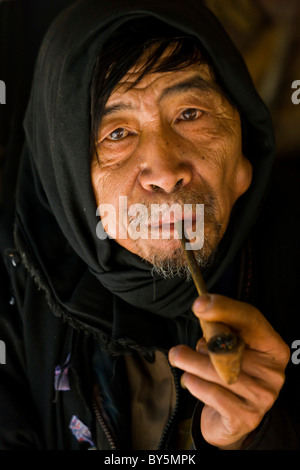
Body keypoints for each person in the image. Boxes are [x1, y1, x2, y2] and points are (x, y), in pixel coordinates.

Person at [0, 0, 299, 451]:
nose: (164, 171)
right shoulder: (10, 287)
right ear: (68, 182)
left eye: (190, 114)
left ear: (244, 156)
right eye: (117, 133)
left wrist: (251, 440)